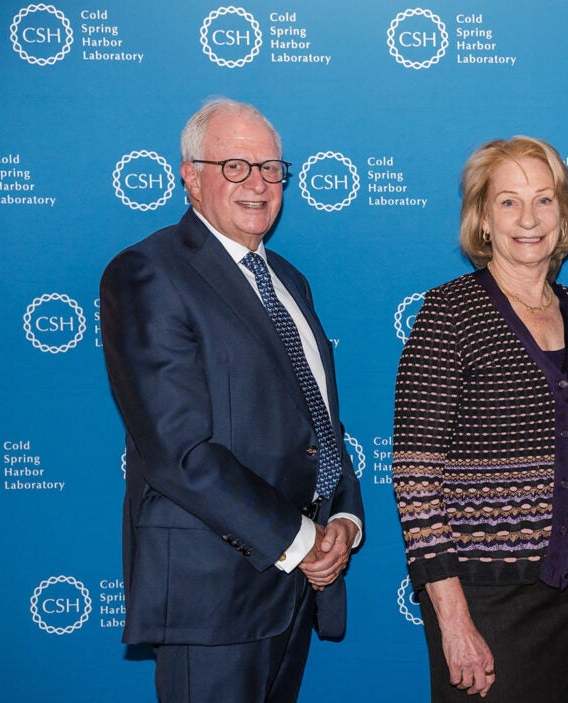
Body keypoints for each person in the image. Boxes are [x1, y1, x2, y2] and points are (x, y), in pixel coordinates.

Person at [100, 98, 364, 702]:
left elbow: (320, 421)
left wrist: (343, 521)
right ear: (191, 175)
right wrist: (300, 542)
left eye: (272, 169)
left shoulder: (289, 280)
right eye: (236, 166)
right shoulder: (148, 272)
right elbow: (179, 452)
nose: (259, 184)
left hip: (295, 588)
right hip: (212, 592)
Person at [392, 136, 568, 701]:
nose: (529, 219)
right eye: (509, 202)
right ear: (483, 219)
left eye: (544, 200)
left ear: (564, 214)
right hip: (482, 598)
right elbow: (416, 480)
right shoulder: (449, 314)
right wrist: (454, 620)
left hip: (565, 591)